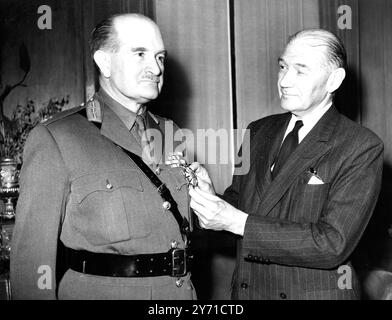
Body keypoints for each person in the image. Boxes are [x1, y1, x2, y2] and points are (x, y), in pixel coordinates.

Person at [184, 29, 384, 300]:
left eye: (301, 71)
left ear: (334, 80)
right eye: (282, 67)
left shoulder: (360, 146)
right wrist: (209, 198)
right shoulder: (257, 131)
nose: (285, 80)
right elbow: (238, 210)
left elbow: (331, 244)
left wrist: (236, 221)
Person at [11, 13, 196, 300]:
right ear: (104, 62)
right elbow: (32, 262)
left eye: (160, 57)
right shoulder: (59, 137)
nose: (156, 68)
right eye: (140, 54)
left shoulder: (172, 134)